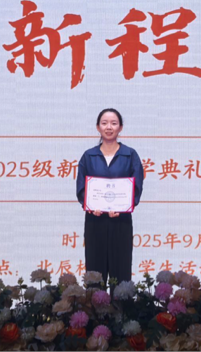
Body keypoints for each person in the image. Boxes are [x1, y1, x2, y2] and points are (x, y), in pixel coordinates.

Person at [76, 108, 144, 283]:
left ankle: (120, 302)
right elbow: (82, 187)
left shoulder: (130, 155)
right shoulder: (88, 156)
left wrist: (124, 206)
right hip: (95, 221)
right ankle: (94, 301)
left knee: (121, 274)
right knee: (94, 275)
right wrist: (90, 206)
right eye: (104, 123)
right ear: (97, 127)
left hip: (121, 222)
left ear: (120, 127)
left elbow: (136, 186)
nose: (109, 127)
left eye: (114, 123)